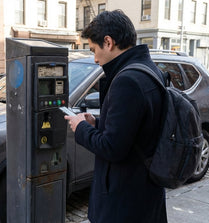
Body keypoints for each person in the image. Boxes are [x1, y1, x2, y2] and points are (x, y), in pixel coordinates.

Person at [64, 10, 167, 223]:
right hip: (145, 193)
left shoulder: (127, 80)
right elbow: (136, 127)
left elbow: (113, 147)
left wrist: (81, 127)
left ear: (108, 42)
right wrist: (98, 123)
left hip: (125, 201)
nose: (94, 59)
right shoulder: (149, 70)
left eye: (94, 50)